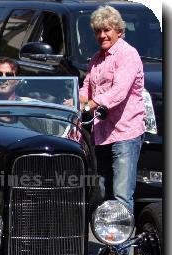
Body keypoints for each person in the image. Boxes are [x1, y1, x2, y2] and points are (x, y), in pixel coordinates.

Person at [65, 6, 145, 214]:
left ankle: (121, 246)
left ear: (119, 30)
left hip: (125, 133)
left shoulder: (128, 55)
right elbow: (86, 87)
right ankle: (107, 243)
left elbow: (118, 92)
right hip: (101, 134)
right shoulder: (96, 59)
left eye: (107, 30)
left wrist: (88, 104)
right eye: (98, 31)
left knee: (121, 196)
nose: (102, 35)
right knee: (101, 193)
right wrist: (75, 101)